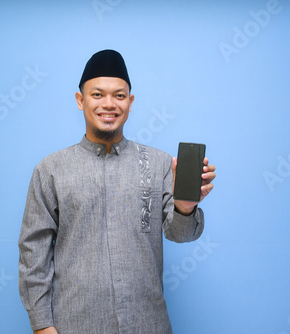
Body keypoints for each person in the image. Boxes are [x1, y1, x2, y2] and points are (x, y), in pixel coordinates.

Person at [18, 49, 216, 334]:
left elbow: (180, 234)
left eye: (119, 95)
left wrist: (185, 206)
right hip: (75, 324)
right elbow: (32, 252)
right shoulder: (51, 169)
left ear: (130, 102)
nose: (108, 104)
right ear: (80, 100)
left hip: (148, 324)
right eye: (97, 95)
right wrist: (41, 326)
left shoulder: (159, 163)